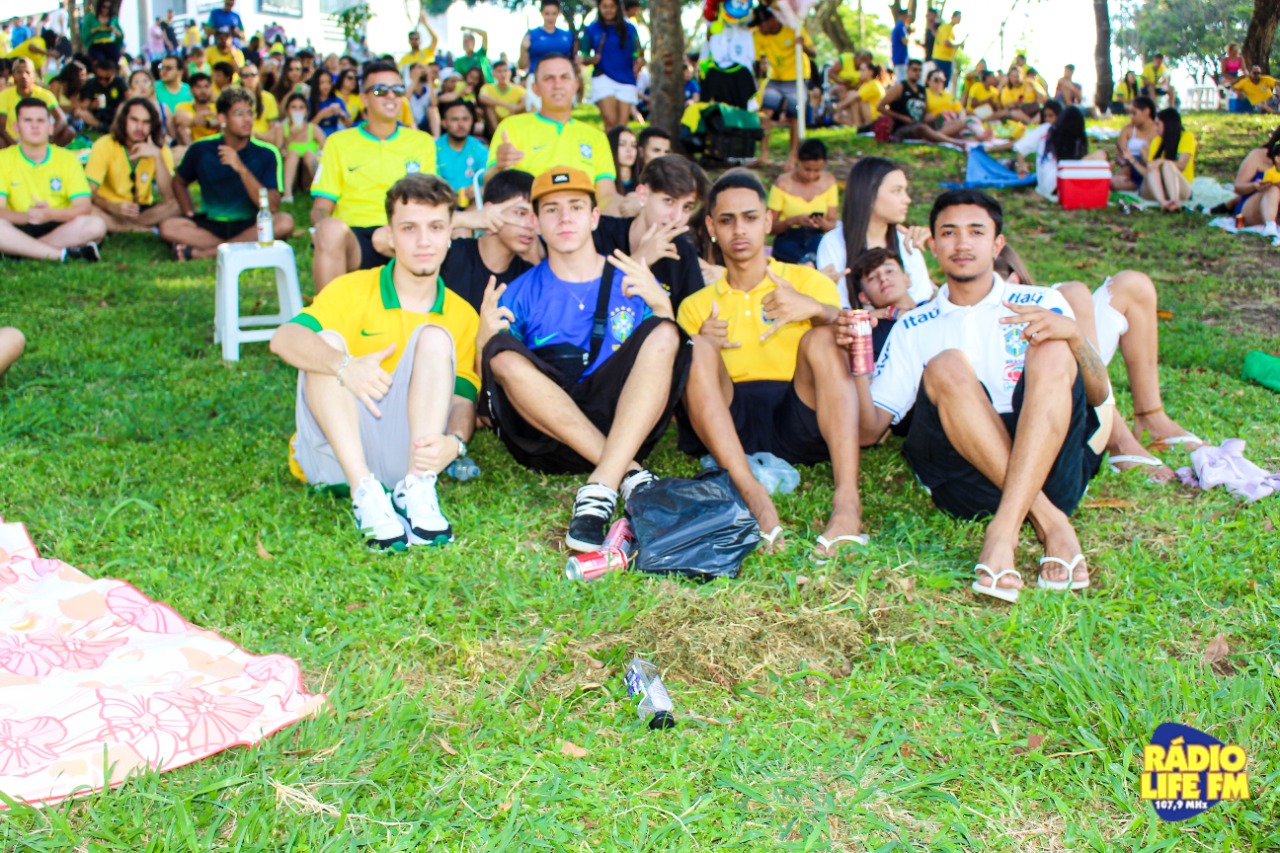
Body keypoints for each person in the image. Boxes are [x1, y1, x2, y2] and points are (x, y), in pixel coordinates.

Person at [847, 190, 1112, 602]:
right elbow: (869, 432)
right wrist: (857, 358)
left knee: (1053, 346)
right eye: (948, 233)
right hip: (966, 479)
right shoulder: (913, 326)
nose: (962, 243)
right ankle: (1049, 521)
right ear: (933, 246)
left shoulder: (1042, 300)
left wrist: (1075, 337)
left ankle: (1003, 530)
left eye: (976, 232)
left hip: (1051, 466)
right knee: (946, 364)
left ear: (997, 244)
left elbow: (1097, 395)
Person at [478, 167, 692, 551]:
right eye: (552, 209)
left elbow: (664, 365)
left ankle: (601, 486)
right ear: (537, 223)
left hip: (623, 424)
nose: (565, 218)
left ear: (594, 217)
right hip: (550, 436)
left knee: (664, 332)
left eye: (576, 207)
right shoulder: (519, 292)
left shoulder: (631, 278)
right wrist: (484, 341)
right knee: (501, 352)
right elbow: (500, 383)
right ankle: (627, 472)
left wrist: (663, 307)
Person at [271, 174, 479, 552]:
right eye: (409, 228)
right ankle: (363, 492)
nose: (423, 241)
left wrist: (456, 443)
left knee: (436, 337)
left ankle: (417, 489)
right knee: (327, 342)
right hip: (332, 455)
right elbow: (283, 338)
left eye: (435, 227)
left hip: (407, 455)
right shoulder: (351, 289)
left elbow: (463, 397)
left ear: (451, 233)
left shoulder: (462, 314)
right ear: (390, 235)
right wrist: (343, 365)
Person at [677, 171, 864, 559]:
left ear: (767, 221)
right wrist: (701, 341)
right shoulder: (696, 304)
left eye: (749, 218)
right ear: (711, 227)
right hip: (730, 420)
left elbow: (848, 332)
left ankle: (848, 501)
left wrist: (814, 309)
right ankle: (753, 495)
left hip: (799, 412)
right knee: (695, 348)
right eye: (727, 220)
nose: (739, 230)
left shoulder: (805, 281)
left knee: (823, 337)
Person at [996, 247, 1203, 481]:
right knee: (1072, 294)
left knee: (1132, 285)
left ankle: (1151, 417)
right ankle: (1118, 440)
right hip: (1030, 373)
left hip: (1054, 341)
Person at [311, 60, 437, 291]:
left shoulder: (422, 142)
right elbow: (321, 207)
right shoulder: (339, 142)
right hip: (355, 237)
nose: (391, 96)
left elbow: (432, 204)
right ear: (364, 98)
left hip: (406, 235)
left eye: (397, 90)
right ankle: (329, 313)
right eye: (380, 91)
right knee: (329, 229)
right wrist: (322, 228)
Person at [160, 88, 294, 260]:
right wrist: (188, 212)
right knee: (167, 227)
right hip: (210, 224)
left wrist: (241, 168)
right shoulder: (201, 149)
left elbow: (272, 206)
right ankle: (237, 246)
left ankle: (204, 252)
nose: (247, 119)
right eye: (239, 114)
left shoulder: (267, 153)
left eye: (249, 113)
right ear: (222, 118)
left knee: (284, 222)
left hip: (250, 224)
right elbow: (178, 181)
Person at [489, 54, 619, 212]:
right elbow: (489, 183)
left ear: (576, 85)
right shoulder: (511, 127)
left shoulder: (596, 137)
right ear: (535, 88)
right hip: (527, 219)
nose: (557, 85)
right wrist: (499, 167)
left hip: (581, 221)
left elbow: (606, 195)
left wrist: (627, 206)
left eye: (564, 77)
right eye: (548, 78)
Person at [816, 156, 936, 310]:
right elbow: (838, 311)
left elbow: (922, 303)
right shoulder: (833, 243)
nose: (907, 199)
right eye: (897, 191)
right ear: (869, 195)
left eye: (905, 191)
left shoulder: (906, 242)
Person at [591, 154, 708, 310]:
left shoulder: (683, 253)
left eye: (686, 207)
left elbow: (690, 319)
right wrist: (640, 259)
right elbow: (582, 301)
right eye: (669, 201)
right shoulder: (599, 232)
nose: (677, 217)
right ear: (642, 195)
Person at [0, 98, 104, 263]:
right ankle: (62, 254)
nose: (35, 126)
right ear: (16, 127)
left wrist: (49, 214)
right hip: (19, 223)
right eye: (28, 120)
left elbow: (83, 207)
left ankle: (19, 251)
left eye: (40, 121)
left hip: (58, 224)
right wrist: (28, 217)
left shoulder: (68, 159)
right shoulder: (3, 159)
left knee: (96, 225)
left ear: (50, 127)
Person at [440, 169, 539, 312]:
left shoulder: (528, 277)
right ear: (489, 211)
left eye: (535, 216)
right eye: (520, 213)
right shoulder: (449, 255)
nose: (530, 225)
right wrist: (464, 219)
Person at [86, 97, 178, 234]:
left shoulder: (160, 150)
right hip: (109, 207)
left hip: (142, 210)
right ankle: (139, 230)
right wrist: (112, 206)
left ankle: (125, 226)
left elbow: (170, 195)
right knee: (85, 208)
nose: (140, 128)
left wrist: (157, 157)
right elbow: (88, 194)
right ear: (124, 121)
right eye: (134, 120)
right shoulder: (104, 145)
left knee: (179, 203)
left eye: (146, 122)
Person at [752, 6, 816, 167]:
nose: (759, 27)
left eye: (761, 23)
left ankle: (792, 157)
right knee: (765, 113)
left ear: (771, 20)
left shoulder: (792, 29)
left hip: (797, 77)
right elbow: (756, 60)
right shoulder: (759, 35)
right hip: (776, 78)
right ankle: (764, 154)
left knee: (795, 116)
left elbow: (813, 52)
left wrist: (803, 45)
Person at [767, 139, 838, 265]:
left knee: (821, 248)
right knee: (789, 251)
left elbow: (833, 223)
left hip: (816, 235)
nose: (811, 175)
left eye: (817, 170)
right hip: (788, 236)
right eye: (807, 169)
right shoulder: (783, 184)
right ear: (798, 162)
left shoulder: (829, 182)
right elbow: (770, 226)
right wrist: (792, 221)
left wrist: (823, 224)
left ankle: (807, 264)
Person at [582, 0, 641, 132]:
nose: (608, 10)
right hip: (603, 77)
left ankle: (620, 145)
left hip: (626, 79)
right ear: (599, 8)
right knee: (609, 120)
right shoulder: (592, 29)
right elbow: (583, 57)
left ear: (617, 8)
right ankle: (609, 145)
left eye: (612, 6)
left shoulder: (630, 29)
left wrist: (638, 64)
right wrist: (591, 59)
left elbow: (637, 53)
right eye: (604, 6)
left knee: (622, 125)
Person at [877, 60, 963, 145]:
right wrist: (903, 118)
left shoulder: (922, 90)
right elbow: (880, 107)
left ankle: (935, 136)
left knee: (956, 123)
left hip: (920, 124)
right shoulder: (900, 87)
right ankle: (954, 142)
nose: (917, 73)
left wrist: (939, 116)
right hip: (902, 127)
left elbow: (924, 112)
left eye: (920, 70)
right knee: (922, 128)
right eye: (915, 70)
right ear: (907, 70)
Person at [1029, 105, 1106, 200]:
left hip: (1044, 185)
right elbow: (1068, 164)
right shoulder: (1066, 138)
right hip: (1056, 184)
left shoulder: (1051, 133)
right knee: (1101, 154)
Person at [0, 57, 71, 148]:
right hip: (13, 139)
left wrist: (49, 136)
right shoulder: (5, 95)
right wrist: (15, 145)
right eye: (19, 72)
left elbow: (62, 119)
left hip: (41, 138)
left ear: (33, 75)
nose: (23, 76)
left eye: (27, 72)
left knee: (69, 131)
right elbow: (1, 126)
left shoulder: (44, 94)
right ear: (13, 76)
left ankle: (46, 151)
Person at [1139, 107, 1196, 212]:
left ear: (1168, 125)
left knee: (1168, 165)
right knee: (1153, 167)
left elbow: (1181, 165)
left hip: (1179, 186)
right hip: (1158, 188)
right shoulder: (1156, 141)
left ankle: (1174, 201)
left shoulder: (1186, 137)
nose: (1155, 128)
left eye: (1158, 124)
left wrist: (1162, 161)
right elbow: (1150, 168)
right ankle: (1163, 202)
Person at [1229, 127, 1280, 239]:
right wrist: (1255, 186)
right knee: (1273, 189)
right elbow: (1238, 187)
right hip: (1252, 209)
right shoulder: (1258, 156)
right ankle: (1270, 226)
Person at [435, 100, 488, 206]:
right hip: (441, 204)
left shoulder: (481, 149)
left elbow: (487, 180)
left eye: (465, 119)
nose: (461, 124)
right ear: (444, 123)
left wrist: (479, 190)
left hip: (473, 206)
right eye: (454, 119)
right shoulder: (433, 149)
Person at [280, 92, 323, 204]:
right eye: (293, 107)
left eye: (301, 108)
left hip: (309, 174)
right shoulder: (282, 129)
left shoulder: (313, 129)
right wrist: (291, 136)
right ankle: (287, 194)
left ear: (306, 111)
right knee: (293, 153)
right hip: (291, 175)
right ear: (287, 111)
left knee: (309, 154)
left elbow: (327, 149)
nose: (297, 111)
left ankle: (321, 190)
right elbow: (278, 151)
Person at [1110, 95, 1158, 192]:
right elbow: (1121, 154)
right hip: (1130, 169)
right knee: (1113, 183)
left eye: (1134, 113)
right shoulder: (1128, 129)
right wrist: (1126, 164)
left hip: (1149, 168)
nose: (1131, 117)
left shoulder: (1158, 130)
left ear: (1147, 112)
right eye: (1130, 113)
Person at [520, 0, 577, 78]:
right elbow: (522, 66)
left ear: (559, 13)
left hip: (562, 78)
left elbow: (574, 60)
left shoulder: (568, 36)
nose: (550, 18)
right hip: (537, 77)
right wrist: (524, 49)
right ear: (541, 13)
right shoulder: (532, 35)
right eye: (547, 14)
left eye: (554, 13)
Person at [78, 58, 128, 134]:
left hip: (116, 112)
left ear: (113, 74)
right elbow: (84, 105)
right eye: (100, 78)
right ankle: (102, 127)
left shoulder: (119, 81)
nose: (103, 81)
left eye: (107, 79)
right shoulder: (91, 83)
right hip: (98, 114)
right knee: (80, 111)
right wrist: (92, 105)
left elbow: (129, 97)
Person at [478, 60, 526, 134]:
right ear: (493, 74)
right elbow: (482, 98)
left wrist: (516, 108)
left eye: (505, 71)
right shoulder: (488, 87)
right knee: (489, 106)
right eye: (499, 71)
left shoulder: (518, 89)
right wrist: (507, 105)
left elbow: (525, 100)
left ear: (510, 72)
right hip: (494, 122)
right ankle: (497, 133)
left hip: (512, 118)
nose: (503, 75)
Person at [834, 62, 885, 129]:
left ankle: (857, 124)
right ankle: (857, 125)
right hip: (865, 115)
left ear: (870, 72)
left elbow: (855, 97)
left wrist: (840, 106)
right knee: (837, 117)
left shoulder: (874, 83)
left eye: (862, 70)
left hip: (874, 117)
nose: (860, 73)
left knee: (853, 95)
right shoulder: (865, 85)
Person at [174, 73, 220, 146]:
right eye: (198, 87)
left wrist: (207, 123)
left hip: (213, 144)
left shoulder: (217, 107)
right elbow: (179, 120)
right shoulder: (183, 106)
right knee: (182, 128)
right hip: (192, 143)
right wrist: (194, 120)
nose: (203, 91)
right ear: (191, 90)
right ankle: (192, 151)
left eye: (206, 86)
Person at [923, 68, 968, 137]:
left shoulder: (949, 96)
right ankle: (934, 136)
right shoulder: (924, 93)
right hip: (936, 122)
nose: (939, 82)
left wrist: (962, 120)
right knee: (961, 125)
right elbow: (925, 115)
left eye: (942, 80)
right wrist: (941, 114)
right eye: (936, 80)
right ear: (928, 81)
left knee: (971, 121)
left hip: (953, 120)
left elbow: (960, 110)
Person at [81, 0, 123, 67]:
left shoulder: (113, 18)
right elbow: (84, 33)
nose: (106, 10)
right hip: (96, 45)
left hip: (110, 44)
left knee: (113, 62)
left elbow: (120, 35)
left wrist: (113, 29)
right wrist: (96, 29)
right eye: (104, 7)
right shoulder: (91, 17)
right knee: (100, 63)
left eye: (108, 7)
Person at [308, 67, 348, 135]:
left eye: (328, 82)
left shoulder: (337, 100)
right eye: (322, 83)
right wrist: (321, 115)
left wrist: (341, 113)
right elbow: (307, 129)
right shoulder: (309, 102)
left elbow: (350, 125)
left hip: (333, 136)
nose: (326, 86)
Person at [932, 10, 963, 85]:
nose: (959, 19)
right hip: (941, 59)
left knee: (943, 84)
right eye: (958, 17)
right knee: (940, 83)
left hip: (946, 59)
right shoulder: (946, 27)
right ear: (953, 17)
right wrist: (958, 44)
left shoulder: (951, 29)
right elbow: (945, 42)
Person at [607, 125, 639, 195]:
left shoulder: (643, 183)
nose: (629, 150)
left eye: (633, 145)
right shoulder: (604, 183)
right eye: (622, 144)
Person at [890, 9, 910, 81]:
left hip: (897, 57)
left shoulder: (898, 26)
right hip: (900, 58)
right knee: (902, 79)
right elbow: (905, 41)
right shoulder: (901, 26)